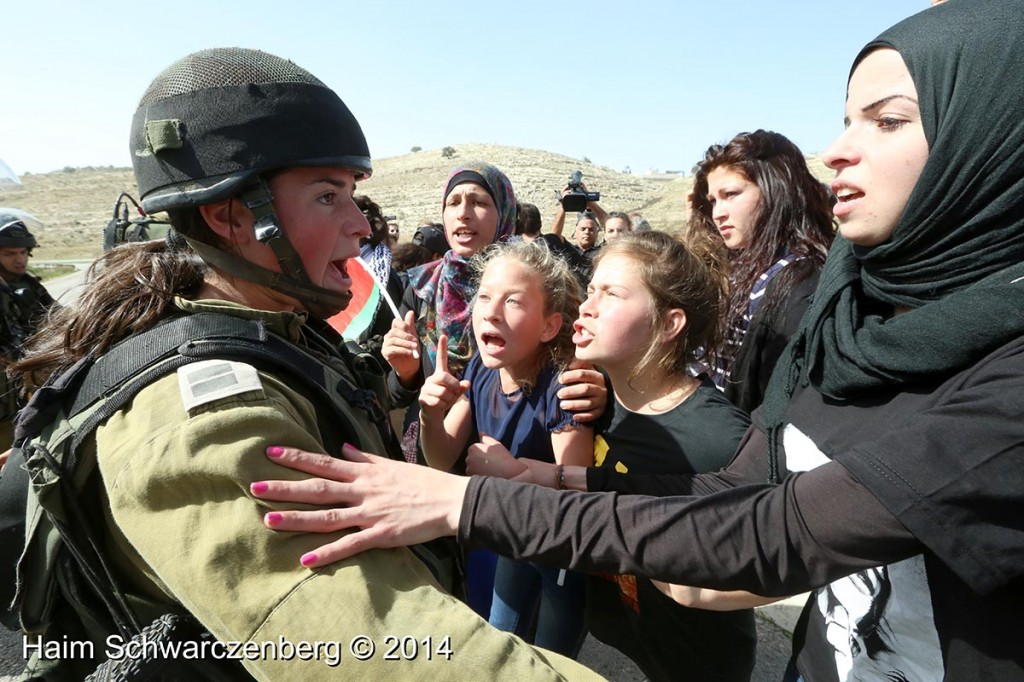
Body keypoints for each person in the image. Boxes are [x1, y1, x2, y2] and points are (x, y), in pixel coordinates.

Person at [250, 1, 1024, 679]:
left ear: (994, 139)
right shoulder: (850, 319)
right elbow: (720, 510)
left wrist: (465, 500)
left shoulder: (1005, 383)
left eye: (887, 121)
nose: (837, 151)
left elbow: (765, 534)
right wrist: (540, 480)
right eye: (847, 117)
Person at [2, 47, 598, 680]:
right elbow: (385, 646)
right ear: (229, 215)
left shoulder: (278, 331)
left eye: (350, 197)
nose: (359, 228)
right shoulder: (204, 419)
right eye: (325, 197)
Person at [465, 231, 756, 681]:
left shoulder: (716, 435)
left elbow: (782, 545)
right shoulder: (599, 400)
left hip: (694, 658)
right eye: (592, 289)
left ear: (668, 324)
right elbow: (588, 480)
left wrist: (701, 586)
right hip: (624, 626)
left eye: (611, 293)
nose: (586, 306)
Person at [419, 239, 593, 657]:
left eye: (513, 301)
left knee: (553, 658)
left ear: (550, 326)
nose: (490, 312)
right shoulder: (480, 366)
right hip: (513, 538)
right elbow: (441, 458)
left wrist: (509, 473)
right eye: (483, 297)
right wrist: (429, 414)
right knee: (499, 638)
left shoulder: (564, 386)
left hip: (561, 555)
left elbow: (581, 499)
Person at [688, 130, 835, 414]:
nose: (718, 212)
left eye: (730, 195)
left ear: (775, 189)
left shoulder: (802, 281)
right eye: (714, 200)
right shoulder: (734, 266)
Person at [0, 216, 55, 450]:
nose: (19, 260)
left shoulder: (27, 284)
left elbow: (56, 317)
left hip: (23, 385)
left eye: (23, 252)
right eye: (10, 254)